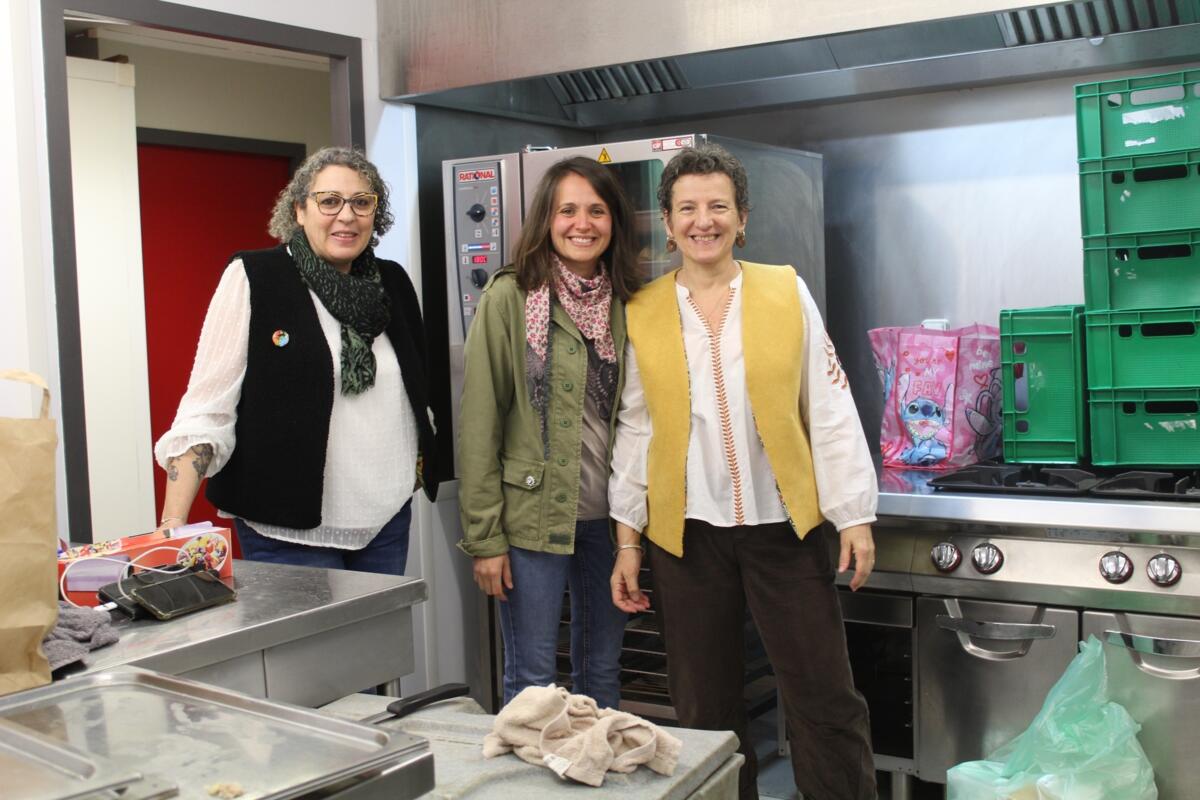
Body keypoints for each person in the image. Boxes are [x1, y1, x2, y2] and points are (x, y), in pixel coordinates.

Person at [608, 143, 877, 800]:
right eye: (688, 209)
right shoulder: (643, 309)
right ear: (668, 223)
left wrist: (853, 514)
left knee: (823, 697)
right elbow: (636, 428)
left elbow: (828, 402)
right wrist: (628, 538)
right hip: (686, 536)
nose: (704, 221)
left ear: (742, 217)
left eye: (718, 206)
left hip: (785, 527)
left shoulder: (784, 290)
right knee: (705, 710)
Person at [154, 146, 437, 575]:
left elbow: (417, 394)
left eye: (362, 202)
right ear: (299, 210)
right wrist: (172, 524)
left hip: (385, 520)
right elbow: (206, 410)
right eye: (329, 201)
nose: (347, 216)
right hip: (285, 530)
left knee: (379, 626)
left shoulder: (393, 283)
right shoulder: (255, 277)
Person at [457, 156, 642, 709]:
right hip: (530, 522)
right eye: (568, 210)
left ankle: (595, 763)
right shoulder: (510, 297)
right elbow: (479, 424)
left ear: (614, 221)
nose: (582, 224)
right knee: (532, 679)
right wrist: (485, 539)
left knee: (601, 672)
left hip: (610, 520)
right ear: (546, 218)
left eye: (597, 211)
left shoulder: (629, 301)